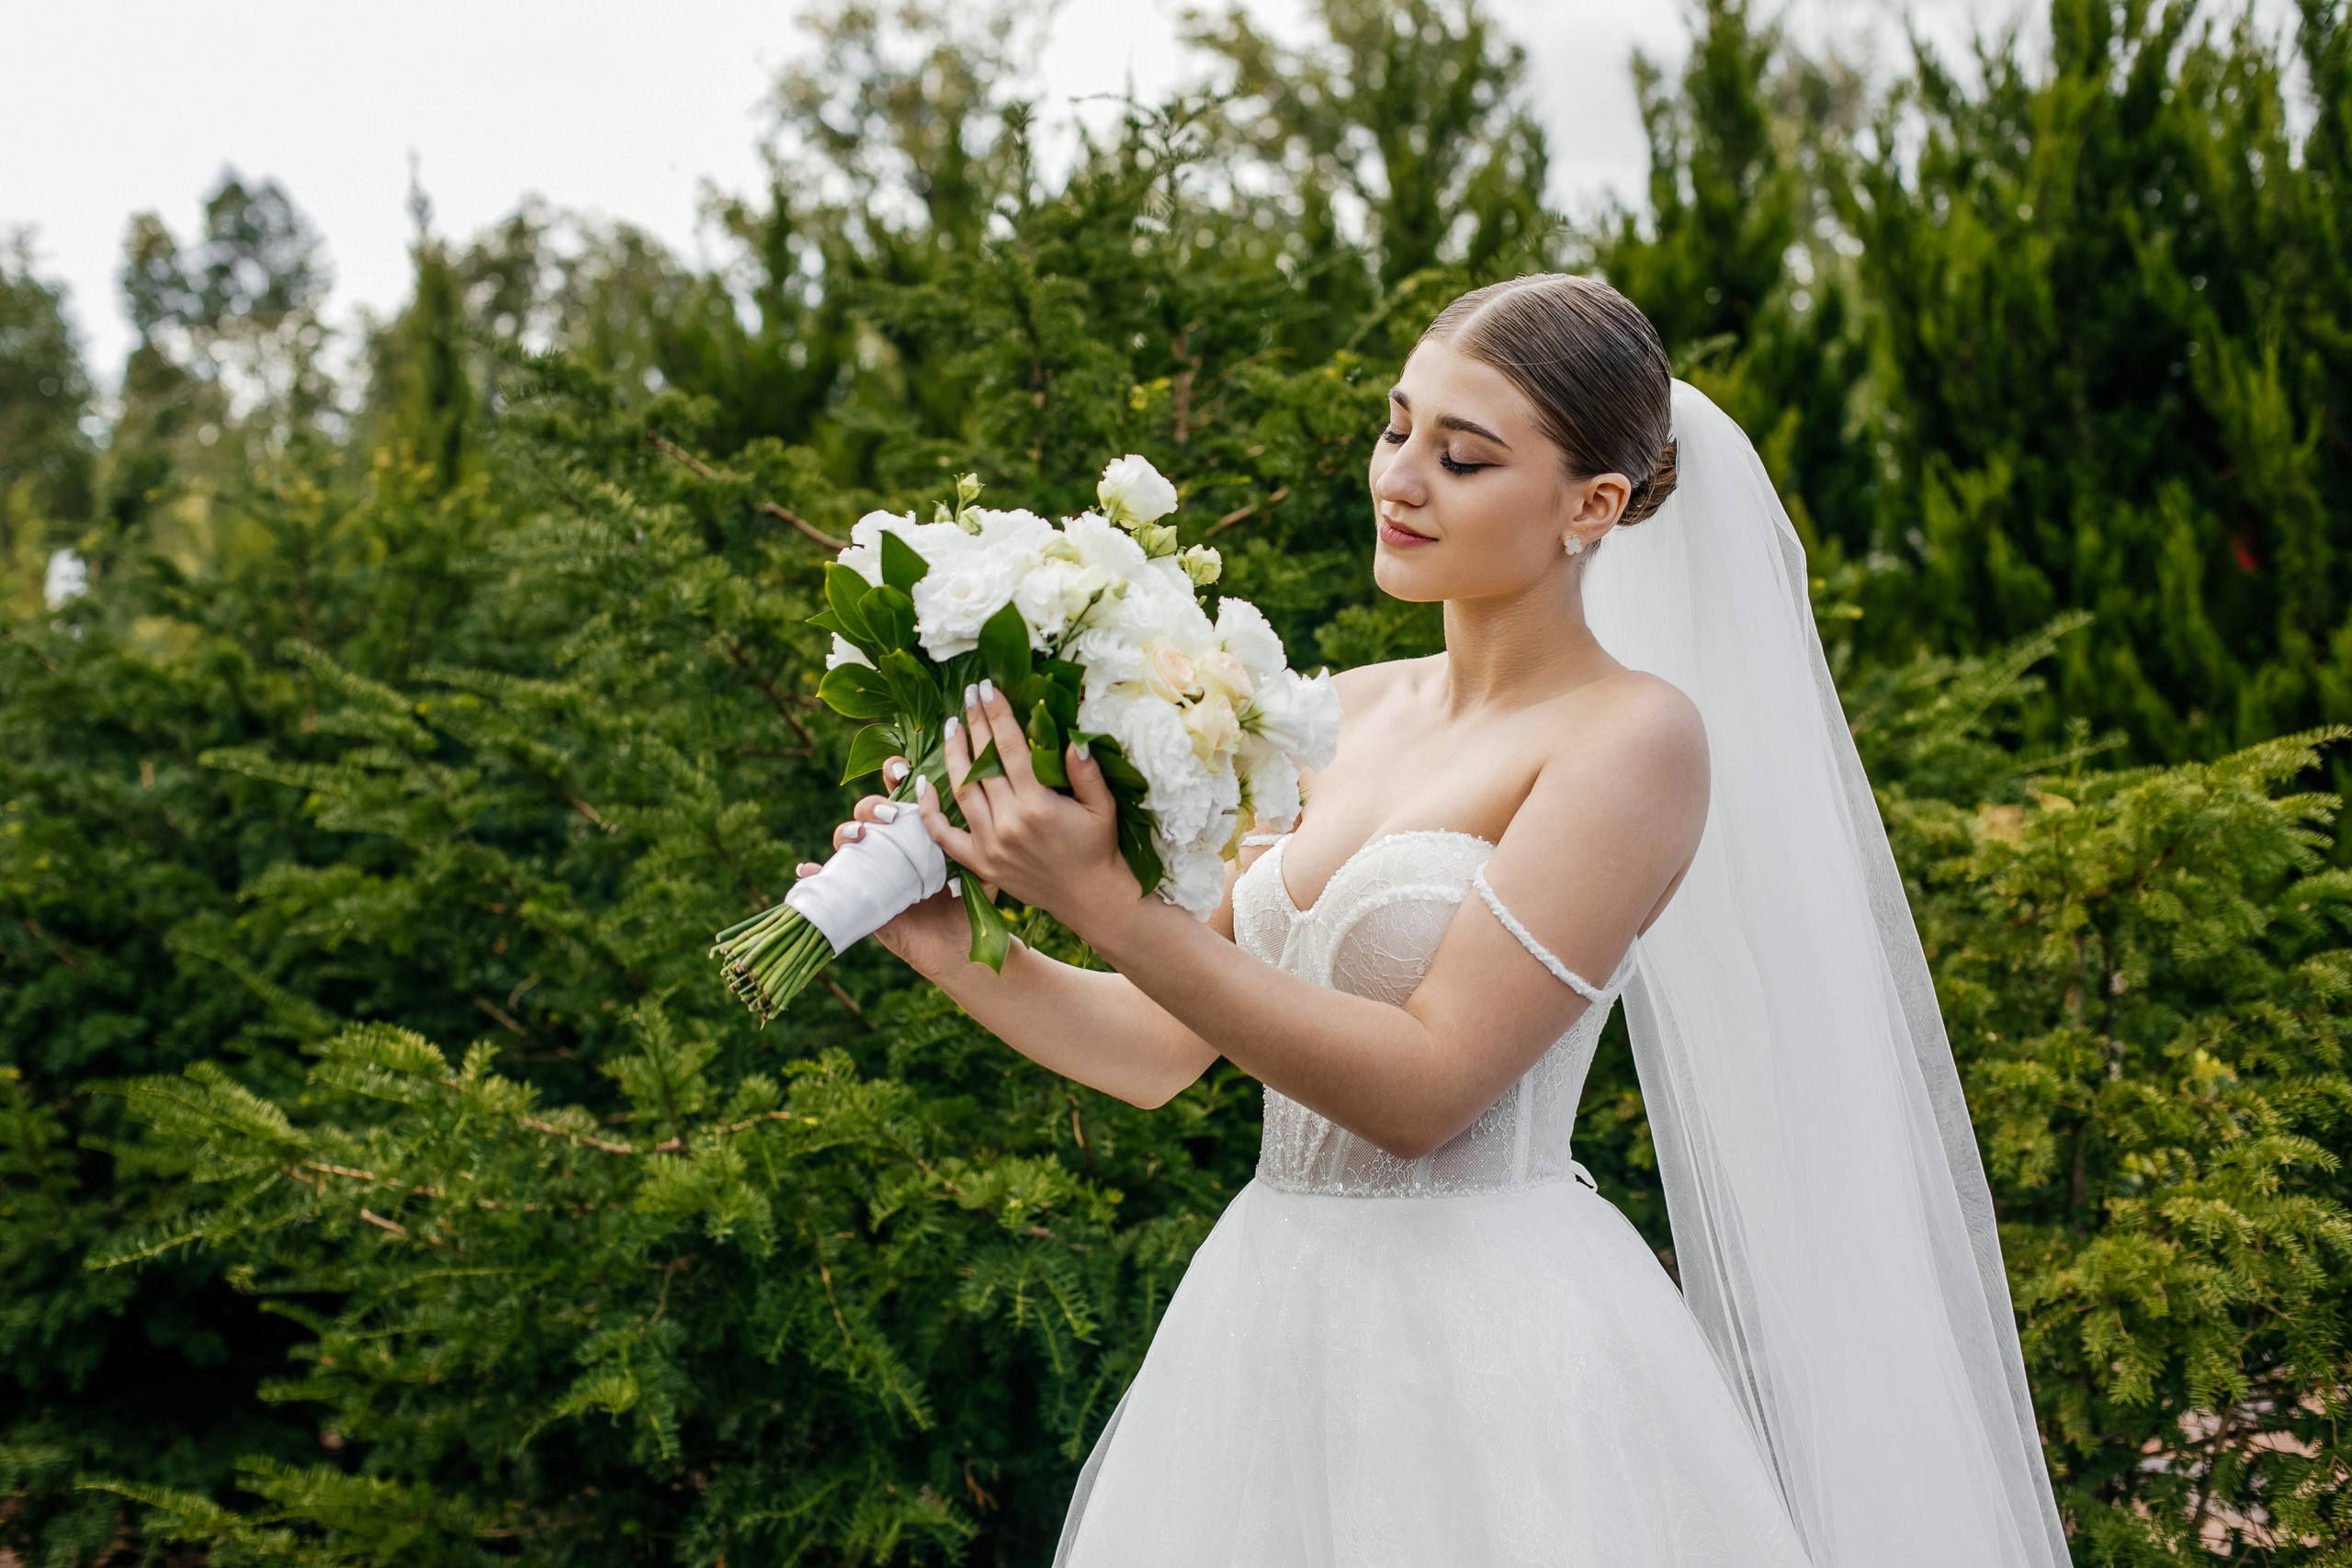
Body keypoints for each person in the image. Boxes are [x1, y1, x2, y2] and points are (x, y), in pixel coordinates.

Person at [806, 275, 2068, 1567]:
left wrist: (1108, 907)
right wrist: (947, 945)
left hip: (1488, 1351)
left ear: (1596, 505)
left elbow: (1427, 1090)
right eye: (1397, 427)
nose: (1401, 478)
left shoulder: (1633, 740)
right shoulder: (1332, 711)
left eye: (1463, 457)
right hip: (1266, 1323)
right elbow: (1156, 1049)